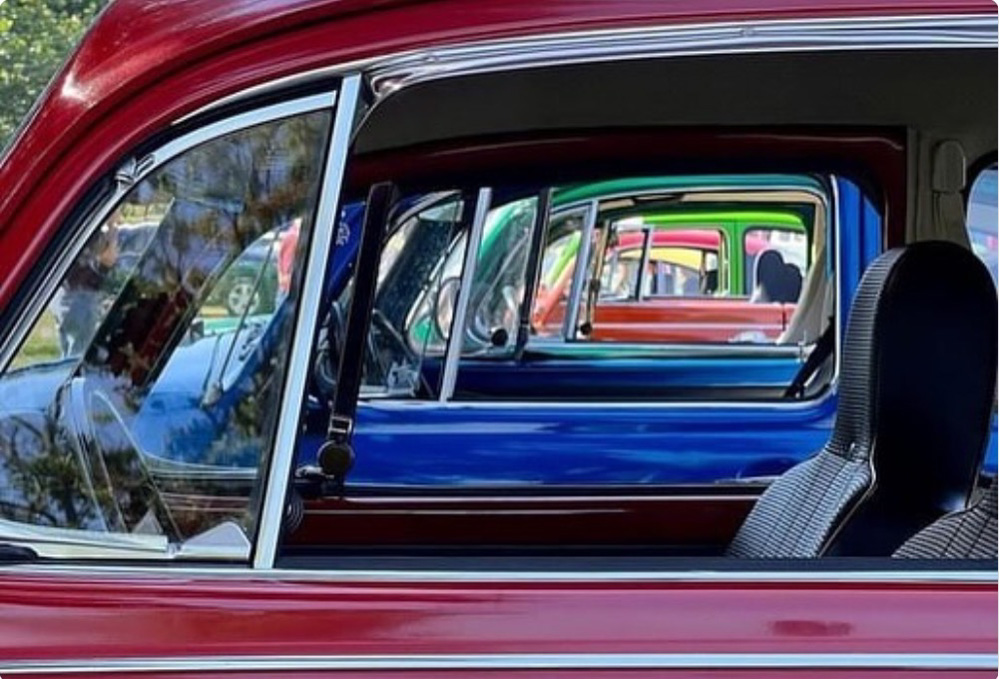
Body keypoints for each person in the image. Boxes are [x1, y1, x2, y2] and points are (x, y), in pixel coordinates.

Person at [53, 213, 120, 357]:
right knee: (77, 353)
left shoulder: (98, 234)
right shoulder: (79, 234)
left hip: (75, 292)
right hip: (77, 295)